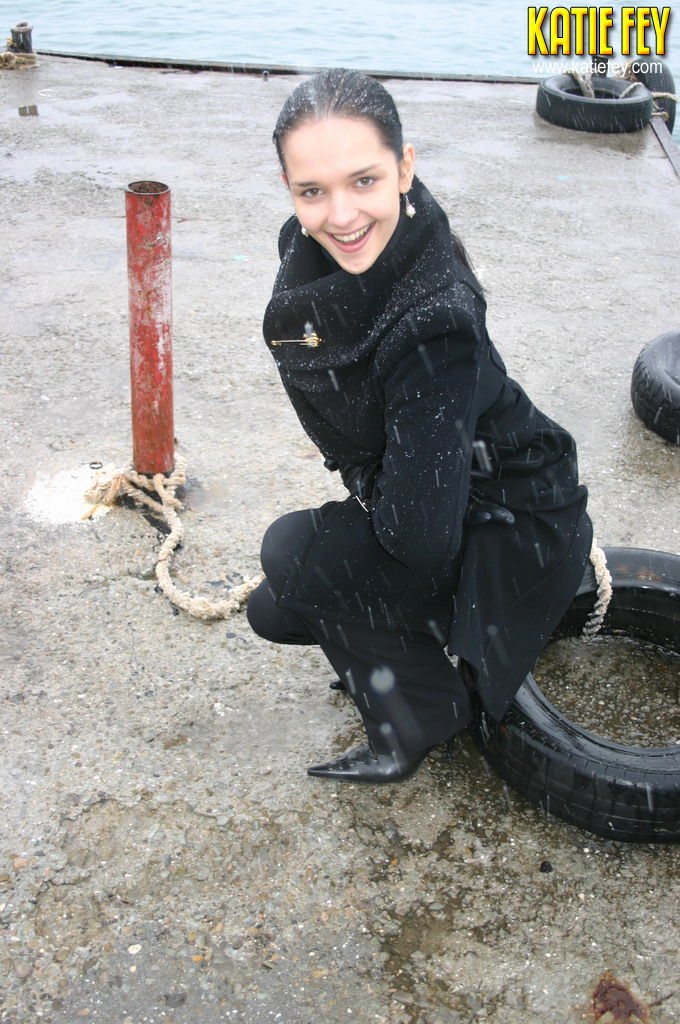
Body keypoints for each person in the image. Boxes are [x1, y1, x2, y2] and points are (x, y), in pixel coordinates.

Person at [247, 68, 592, 784]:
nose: (341, 215)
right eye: (312, 191)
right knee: (276, 610)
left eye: (364, 181)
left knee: (292, 551)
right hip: (436, 484)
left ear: (405, 168)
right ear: (289, 189)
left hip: (508, 513)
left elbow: (419, 537)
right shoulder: (312, 246)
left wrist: (364, 493)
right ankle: (398, 649)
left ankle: (420, 716)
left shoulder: (436, 322)